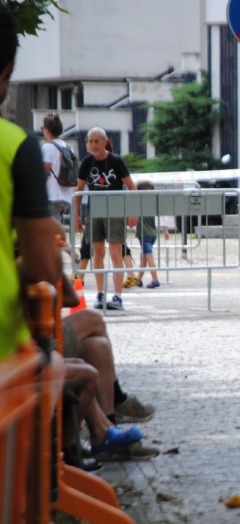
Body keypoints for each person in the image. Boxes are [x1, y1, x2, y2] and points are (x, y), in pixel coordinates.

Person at [0, 8, 64, 359]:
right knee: (59, 373)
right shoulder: (16, 144)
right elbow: (42, 268)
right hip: (5, 346)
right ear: (7, 70)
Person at [73, 127, 137, 311]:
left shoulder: (116, 161)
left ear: (104, 141)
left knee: (116, 252)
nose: (93, 145)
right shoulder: (86, 162)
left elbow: (131, 186)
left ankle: (117, 296)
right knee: (97, 252)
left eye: (96, 141)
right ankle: (100, 292)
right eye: (90, 141)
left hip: (115, 209)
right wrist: (76, 215)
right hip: (95, 210)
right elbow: (78, 190)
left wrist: (134, 212)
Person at [63, 308, 155, 424]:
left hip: (41, 338)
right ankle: (118, 398)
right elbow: (71, 299)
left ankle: (108, 424)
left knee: (98, 346)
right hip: (40, 344)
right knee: (93, 319)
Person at [40, 111, 76, 224]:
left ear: (47, 129)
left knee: (52, 236)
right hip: (66, 196)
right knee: (55, 232)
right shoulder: (69, 148)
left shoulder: (47, 148)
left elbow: (44, 173)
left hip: (52, 196)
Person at [135, 180, 170, 288]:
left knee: (149, 257)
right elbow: (163, 217)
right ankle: (139, 279)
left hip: (144, 233)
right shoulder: (153, 203)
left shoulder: (138, 203)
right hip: (152, 233)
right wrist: (166, 231)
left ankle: (155, 280)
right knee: (143, 258)